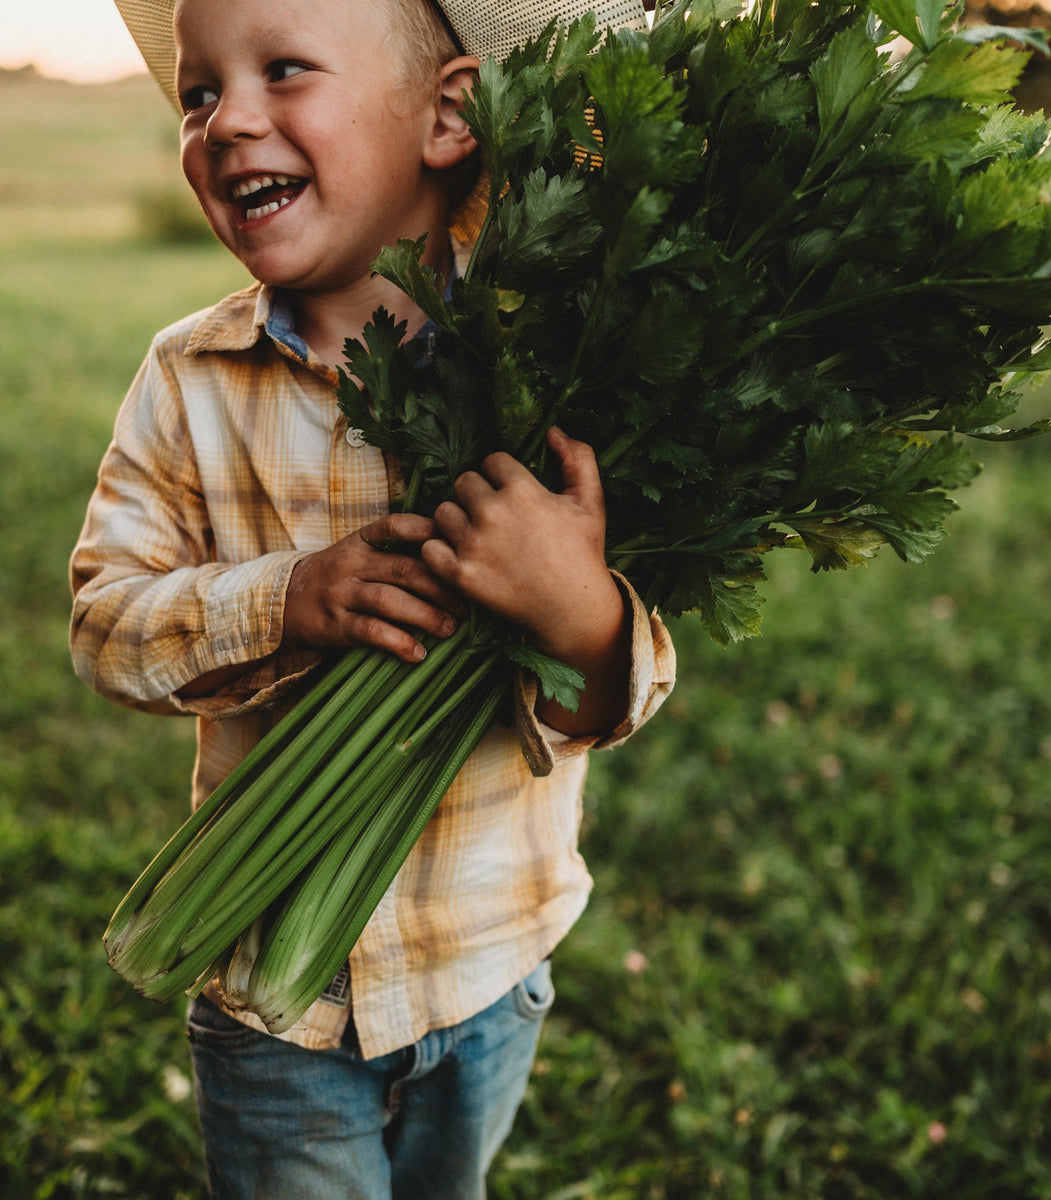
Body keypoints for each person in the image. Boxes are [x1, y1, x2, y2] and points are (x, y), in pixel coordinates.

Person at [70, 0, 674, 1195]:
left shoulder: (564, 372)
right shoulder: (187, 379)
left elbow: (622, 685)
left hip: (492, 966)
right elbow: (103, 624)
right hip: (273, 1009)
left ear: (450, 115)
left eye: (283, 71)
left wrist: (578, 611)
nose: (225, 120)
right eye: (200, 93)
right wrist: (283, 600)